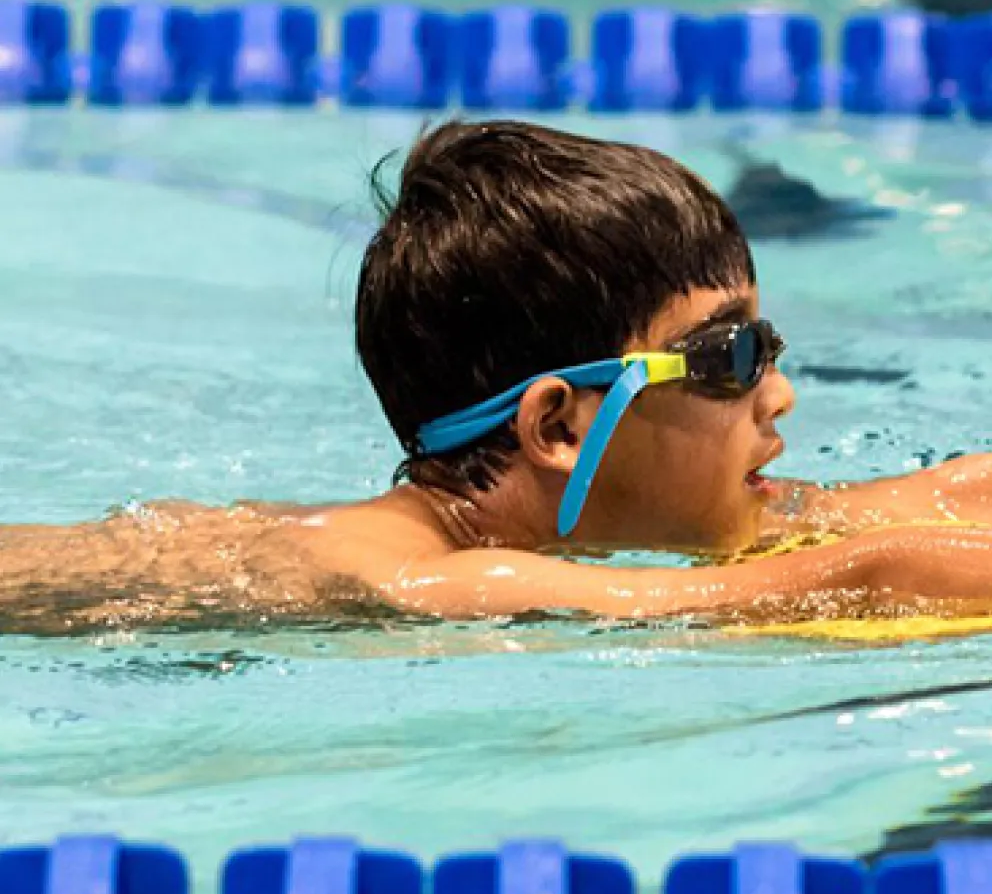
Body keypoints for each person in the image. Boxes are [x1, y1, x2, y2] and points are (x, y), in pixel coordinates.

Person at [3, 117, 992, 634]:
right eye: (725, 356)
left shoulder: (604, 508)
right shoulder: (442, 580)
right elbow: (870, 576)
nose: (775, 392)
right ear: (555, 427)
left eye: (762, 347)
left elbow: (940, 497)